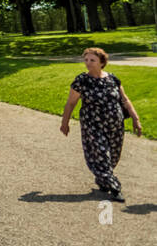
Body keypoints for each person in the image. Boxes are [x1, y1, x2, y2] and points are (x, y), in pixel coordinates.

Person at [61, 48, 142, 202]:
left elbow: (125, 100)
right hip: (93, 125)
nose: (88, 63)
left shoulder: (112, 79)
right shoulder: (81, 81)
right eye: (86, 60)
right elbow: (71, 103)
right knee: (101, 155)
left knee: (113, 157)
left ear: (102, 62)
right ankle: (115, 187)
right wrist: (64, 123)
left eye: (92, 60)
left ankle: (103, 179)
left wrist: (135, 118)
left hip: (115, 125)